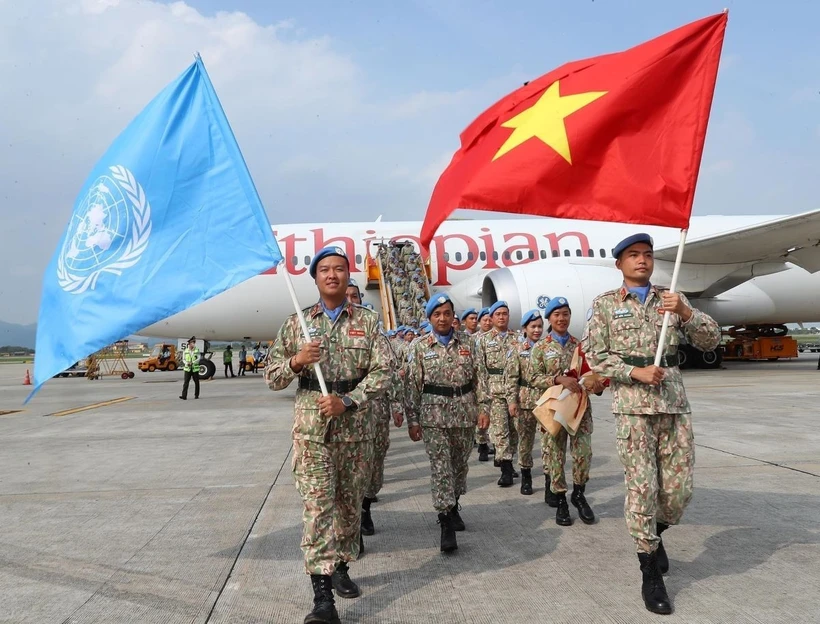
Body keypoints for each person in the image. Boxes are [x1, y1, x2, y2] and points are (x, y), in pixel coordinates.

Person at [582, 233, 721, 615]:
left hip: (674, 405)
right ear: (619, 264)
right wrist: (632, 372)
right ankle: (649, 571)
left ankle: (655, 534)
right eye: (633, 255)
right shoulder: (607, 305)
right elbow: (594, 355)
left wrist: (688, 314)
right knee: (642, 489)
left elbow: (712, 341)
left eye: (646, 255)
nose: (641, 260)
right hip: (633, 409)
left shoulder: (672, 299)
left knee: (677, 493)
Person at [264, 246, 390, 624]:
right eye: (324, 270)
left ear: (348, 277)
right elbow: (272, 376)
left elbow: (384, 372)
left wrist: (349, 400)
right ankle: (322, 597)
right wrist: (296, 361)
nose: (331, 275)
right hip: (312, 431)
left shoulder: (368, 322)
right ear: (315, 278)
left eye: (338, 269)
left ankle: (340, 566)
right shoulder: (296, 324)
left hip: (354, 428)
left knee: (349, 507)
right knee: (318, 508)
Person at [406, 293, 489, 551]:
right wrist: (413, 419)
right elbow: (411, 385)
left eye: (447, 313)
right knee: (441, 467)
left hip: (464, 413)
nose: (442, 318)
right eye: (437, 314)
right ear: (430, 318)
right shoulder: (420, 347)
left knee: (459, 466)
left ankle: (453, 503)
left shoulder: (469, 343)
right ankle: (444, 520)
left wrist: (483, 407)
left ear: (454, 316)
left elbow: (481, 378)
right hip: (434, 416)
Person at [532, 298, 602, 526]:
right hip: (554, 409)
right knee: (555, 455)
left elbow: (592, 374)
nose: (561, 319)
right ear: (549, 319)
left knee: (583, 453)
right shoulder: (541, 348)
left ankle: (579, 494)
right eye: (556, 315)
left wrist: (596, 384)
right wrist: (557, 379)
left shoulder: (580, 346)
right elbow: (532, 378)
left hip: (580, 409)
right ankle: (560, 498)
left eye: (565, 314)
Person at [475, 301, 520, 486]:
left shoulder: (517, 339)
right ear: (491, 317)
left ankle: (509, 459)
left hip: (514, 391)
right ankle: (506, 468)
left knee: (515, 431)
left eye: (505, 313)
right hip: (494, 391)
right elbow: (480, 370)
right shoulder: (483, 341)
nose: (502, 317)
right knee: (500, 431)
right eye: (498, 314)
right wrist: (482, 398)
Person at [512, 309, 544, 496]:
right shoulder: (518, 350)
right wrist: (512, 401)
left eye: (540, 326)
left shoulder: (548, 348)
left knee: (549, 442)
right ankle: (526, 476)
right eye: (533, 326)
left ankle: (550, 478)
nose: (537, 330)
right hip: (525, 401)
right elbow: (512, 378)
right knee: (525, 441)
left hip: (545, 401)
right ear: (525, 329)